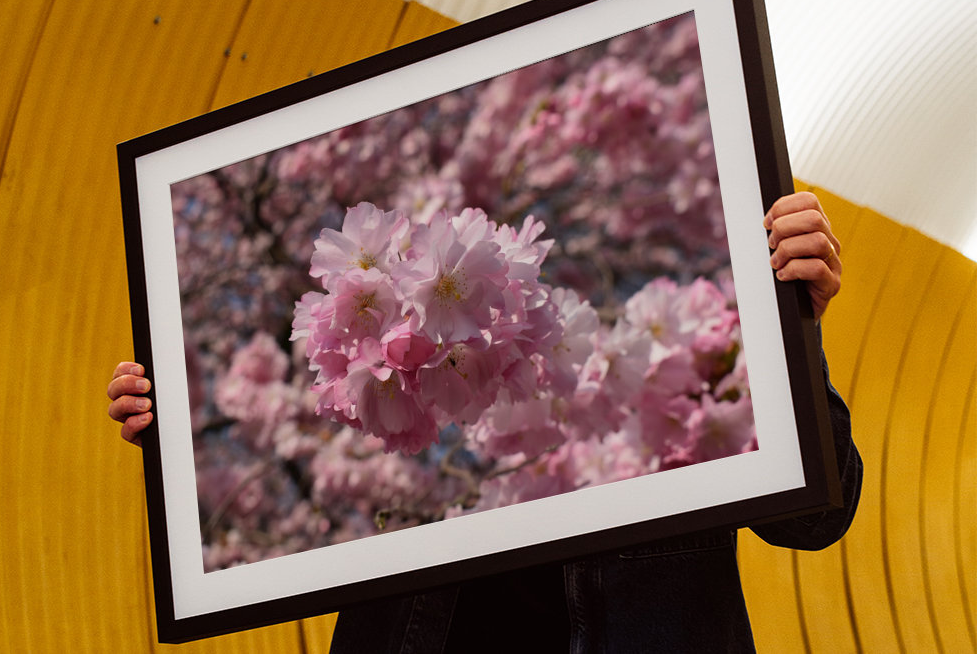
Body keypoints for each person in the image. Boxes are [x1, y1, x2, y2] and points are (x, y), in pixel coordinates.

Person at [108, 192, 862, 653]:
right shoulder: (411, 412)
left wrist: (789, 331)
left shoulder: (668, 372)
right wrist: (180, 432)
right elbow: (299, 455)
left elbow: (818, 517)